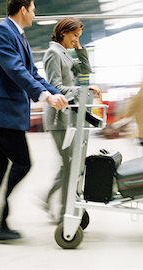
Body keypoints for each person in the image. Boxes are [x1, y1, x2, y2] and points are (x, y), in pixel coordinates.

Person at [0, 0, 68, 241]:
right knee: (23, 162)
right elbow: (15, 70)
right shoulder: (1, 32)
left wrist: (56, 93)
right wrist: (44, 96)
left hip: (8, 114)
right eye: (33, 9)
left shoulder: (19, 36)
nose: (34, 14)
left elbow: (33, 73)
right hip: (2, 112)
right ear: (23, 10)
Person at [42, 17, 101, 222]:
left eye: (79, 37)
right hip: (58, 119)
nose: (76, 40)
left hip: (67, 118)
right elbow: (54, 88)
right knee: (70, 164)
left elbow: (85, 70)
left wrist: (79, 47)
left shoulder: (65, 54)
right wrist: (83, 89)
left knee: (69, 163)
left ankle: (51, 199)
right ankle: (64, 213)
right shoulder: (53, 53)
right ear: (63, 32)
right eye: (74, 35)